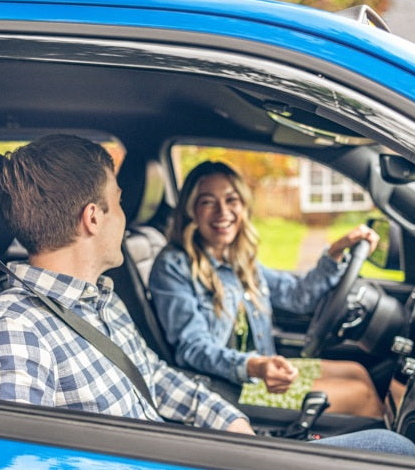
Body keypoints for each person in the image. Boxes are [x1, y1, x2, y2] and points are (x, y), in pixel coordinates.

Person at [0, 135, 415, 456]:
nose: (128, 216)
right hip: (218, 414)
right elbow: (15, 460)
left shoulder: (100, 300)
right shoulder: (12, 329)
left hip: (202, 442)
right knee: (393, 449)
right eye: (120, 203)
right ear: (94, 218)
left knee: (391, 445)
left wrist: (230, 426)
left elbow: (156, 377)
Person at [149, 161, 385, 417]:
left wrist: (335, 252)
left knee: (357, 372)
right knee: (360, 396)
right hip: (229, 387)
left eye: (232, 200)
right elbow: (192, 348)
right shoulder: (173, 266)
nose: (223, 211)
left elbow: (297, 296)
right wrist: (255, 366)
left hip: (259, 370)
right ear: (191, 210)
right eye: (207, 202)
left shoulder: (237, 257)